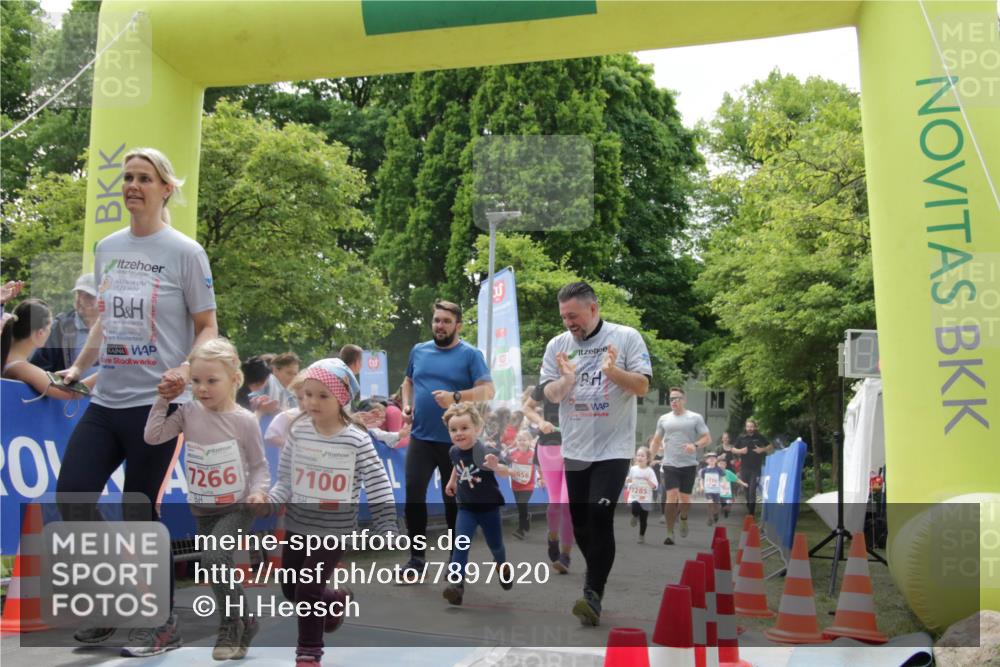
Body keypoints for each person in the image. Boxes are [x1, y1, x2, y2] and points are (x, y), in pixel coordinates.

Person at [55, 147, 219, 657]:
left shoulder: (186, 252)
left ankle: (161, 621)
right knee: (74, 496)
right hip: (107, 402)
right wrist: (80, 368)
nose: (132, 185)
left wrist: (184, 371)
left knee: (136, 509)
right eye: (126, 177)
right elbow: (105, 320)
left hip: (158, 407)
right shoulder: (108, 247)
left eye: (144, 178)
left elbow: (207, 326)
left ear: (165, 188)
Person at [251, 358, 397, 666]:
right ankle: (336, 597)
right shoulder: (298, 432)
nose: (311, 402)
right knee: (292, 589)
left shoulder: (356, 439)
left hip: (334, 530)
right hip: (298, 526)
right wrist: (269, 502)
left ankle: (308, 653)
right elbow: (286, 481)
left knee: (307, 588)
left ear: (341, 399)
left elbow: (378, 483)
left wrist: (386, 524)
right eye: (307, 394)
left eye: (322, 396)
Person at [143, 338, 269, 660]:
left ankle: (230, 624)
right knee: (215, 570)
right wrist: (162, 400)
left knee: (215, 559)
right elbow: (153, 435)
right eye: (196, 381)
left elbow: (258, 466)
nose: (202, 388)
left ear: (233, 379)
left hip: (237, 507)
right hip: (203, 506)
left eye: (212, 381)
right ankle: (247, 621)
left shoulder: (243, 421)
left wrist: (258, 491)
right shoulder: (187, 412)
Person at [539, 281, 651, 626]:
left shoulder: (626, 337)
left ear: (593, 308)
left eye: (574, 316)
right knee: (583, 525)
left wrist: (612, 372)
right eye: (564, 317)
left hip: (613, 448)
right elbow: (549, 395)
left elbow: (643, 386)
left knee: (599, 518)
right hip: (574, 449)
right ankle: (597, 567)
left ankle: (593, 592)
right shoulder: (557, 346)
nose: (569, 323)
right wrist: (567, 381)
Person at [399, 299, 494, 577]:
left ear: (458, 325)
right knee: (413, 496)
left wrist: (455, 397)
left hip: (457, 442)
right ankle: (416, 559)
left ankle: (456, 561)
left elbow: (488, 391)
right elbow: (408, 381)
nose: (440, 326)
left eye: (446, 321)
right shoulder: (419, 351)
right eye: (436, 320)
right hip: (421, 438)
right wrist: (407, 404)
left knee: (454, 499)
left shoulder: (470, 354)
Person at [441, 402, 514, 606]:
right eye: (453, 430)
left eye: (464, 428)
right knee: (460, 544)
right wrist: (452, 481)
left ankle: (502, 566)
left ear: (477, 428)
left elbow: (505, 471)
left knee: (496, 546)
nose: (459, 433)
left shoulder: (484, 450)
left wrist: (495, 466)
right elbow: (458, 466)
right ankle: (456, 584)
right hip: (466, 508)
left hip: (489, 508)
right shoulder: (454, 451)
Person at [522, 383, 574, 573]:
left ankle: (565, 556)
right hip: (549, 445)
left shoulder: (587, 383)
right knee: (555, 503)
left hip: (577, 447)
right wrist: (540, 422)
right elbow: (526, 407)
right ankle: (553, 537)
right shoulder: (547, 384)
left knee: (568, 504)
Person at [650, 387, 711, 546]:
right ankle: (670, 533)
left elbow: (707, 438)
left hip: (689, 464)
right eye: (671, 399)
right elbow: (656, 440)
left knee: (684, 498)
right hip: (670, 463)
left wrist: (695, 445)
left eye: (677, 398)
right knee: (671, 496)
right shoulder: (664, 419)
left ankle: (683, 517)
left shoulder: (694, 417)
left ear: (684, 400)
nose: (674, 401)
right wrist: (650, 457)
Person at [1, 298, 98, 399]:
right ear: (40, 333)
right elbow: (73, 393)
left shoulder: (9, 361)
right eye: (50, 328)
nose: (50, 332)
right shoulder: (21, 368)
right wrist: (105, 372)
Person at [30, 273, 100, 375]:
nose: (80, 300)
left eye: (89, 296)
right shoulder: (58, 328)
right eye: (78, 293)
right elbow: (39, 367)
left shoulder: (116, 330)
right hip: (65, 390)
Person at [732, 418, 773, 515]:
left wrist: (762, 450)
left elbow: (770, 446)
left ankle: (751, 514)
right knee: (746, 491)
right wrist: (740, 451)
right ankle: (749, 508)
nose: (750, 428)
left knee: (752, 491)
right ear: (746, 427)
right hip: (744, 468)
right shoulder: (741, 437)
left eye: (751, 426)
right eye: (748, 426)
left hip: (756, 468)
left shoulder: (759, 437)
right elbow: (733, 449)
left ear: (755, 427)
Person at [506, 429, 539, 540]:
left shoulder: (534, 453)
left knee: (522, 503)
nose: (522, 442)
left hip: (528, 485)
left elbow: (540, 466)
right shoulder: (512, 453)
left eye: (524, 440)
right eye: (519, 440)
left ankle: (521, 530)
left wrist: (542, 478)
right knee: (521, 507)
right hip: (516, 485)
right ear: (516, 441)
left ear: (529, 441)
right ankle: (526, 518)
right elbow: (504, 463)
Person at [626, 446, 658, 544]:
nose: (639, 457)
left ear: (647, 459)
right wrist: (628, 482)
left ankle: (641, 535)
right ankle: (635, 516)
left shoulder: (650, 471)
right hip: (635, 495)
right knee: (635, 506)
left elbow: (655, 486)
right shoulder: (633, 469)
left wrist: (648, 481)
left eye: (642, 456)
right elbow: (629, 480)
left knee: (644, 519)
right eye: (638, 455)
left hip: (645, 498)